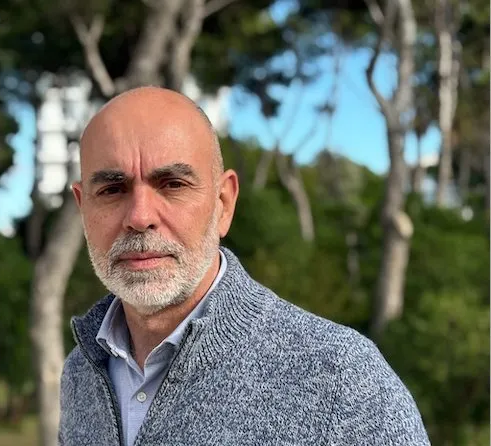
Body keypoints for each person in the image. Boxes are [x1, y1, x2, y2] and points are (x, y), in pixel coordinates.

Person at [58, 86, 430, 446]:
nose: (140, 217)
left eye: (172, 184)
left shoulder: (342, 379)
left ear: (224, 204)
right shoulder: (81, 371)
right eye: (112, 190)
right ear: (82, 207)